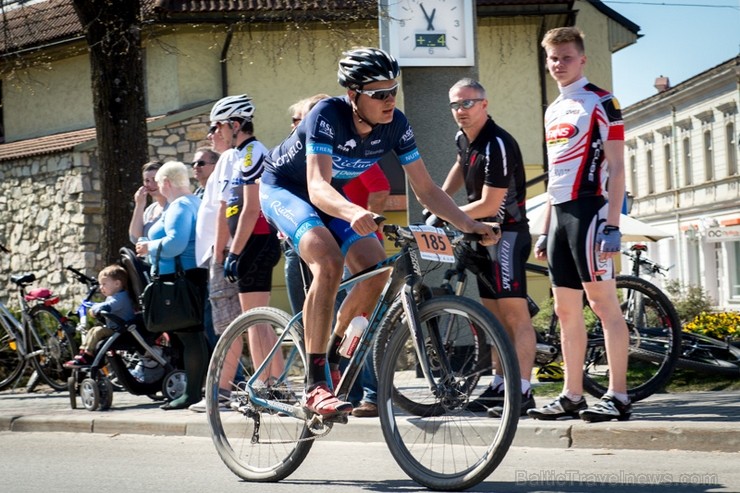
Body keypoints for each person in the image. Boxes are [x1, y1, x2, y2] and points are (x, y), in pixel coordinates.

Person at [259, 47, 498, 418]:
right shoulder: (327, 115)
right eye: (379, 94)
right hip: (286, 190)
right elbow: (318, 185)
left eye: (394, 90)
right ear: (353, 94)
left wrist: (470, 225)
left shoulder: (396, 125)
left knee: (377, 272)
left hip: (329, 197)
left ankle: (335, 355)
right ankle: (314, 382)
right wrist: (354, 211)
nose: (390, 100)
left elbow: (427, 189)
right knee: (328, 260)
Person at [527, 27, 631, 423]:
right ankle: (572, 395)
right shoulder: (553, 109)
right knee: (565, 310)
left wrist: (613, 223)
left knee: (604, 305)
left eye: (566, 57)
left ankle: (618, 395)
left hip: (592, 213)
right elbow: (555, 177)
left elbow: (618, 167)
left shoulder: (603, 101)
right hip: (560, 217)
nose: (558, 65)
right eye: (552, 58)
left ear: (582, 59)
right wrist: (544, 227)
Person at [440, 78, 536, 417]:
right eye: (454, 105)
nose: (460, 111)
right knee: (493, 319)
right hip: (482, 234)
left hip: (507, 233)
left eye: (467, 103)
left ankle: (523, 391)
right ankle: (499, 386)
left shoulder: (497, 143)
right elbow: (459, 165)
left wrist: (443, 215)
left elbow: (489, 202)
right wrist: (437, 199)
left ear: (484, 103)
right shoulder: (463, 137)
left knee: (514, 316)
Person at [136, 161, 209, 411]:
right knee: (191, 336)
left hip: (181, 279)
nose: (158, 188)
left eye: (159, 184)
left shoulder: (179, 206)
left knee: (190, 336)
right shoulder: (193, 202)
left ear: (166, 182)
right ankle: (194, 391)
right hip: (188, 276)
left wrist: (148, 247)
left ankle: (192, 394)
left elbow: (176, 244)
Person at [65, 265, 136, 367]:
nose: (101, 287)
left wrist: (96, 308)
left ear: (117, 283)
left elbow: (109, 305)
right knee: (94, 330)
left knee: (98, 331)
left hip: (123, 332)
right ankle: (84, 352)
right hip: (117, 330)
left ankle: (88, 355)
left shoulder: (121, 298)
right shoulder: (115, 296)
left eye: (104, 284)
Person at [128, 160, 165, 244]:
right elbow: (135, 239)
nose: (151, 185)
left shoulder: (174, 206)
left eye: (155, 180)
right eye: (147, 180)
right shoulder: (150, 209)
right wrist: (139, 205)